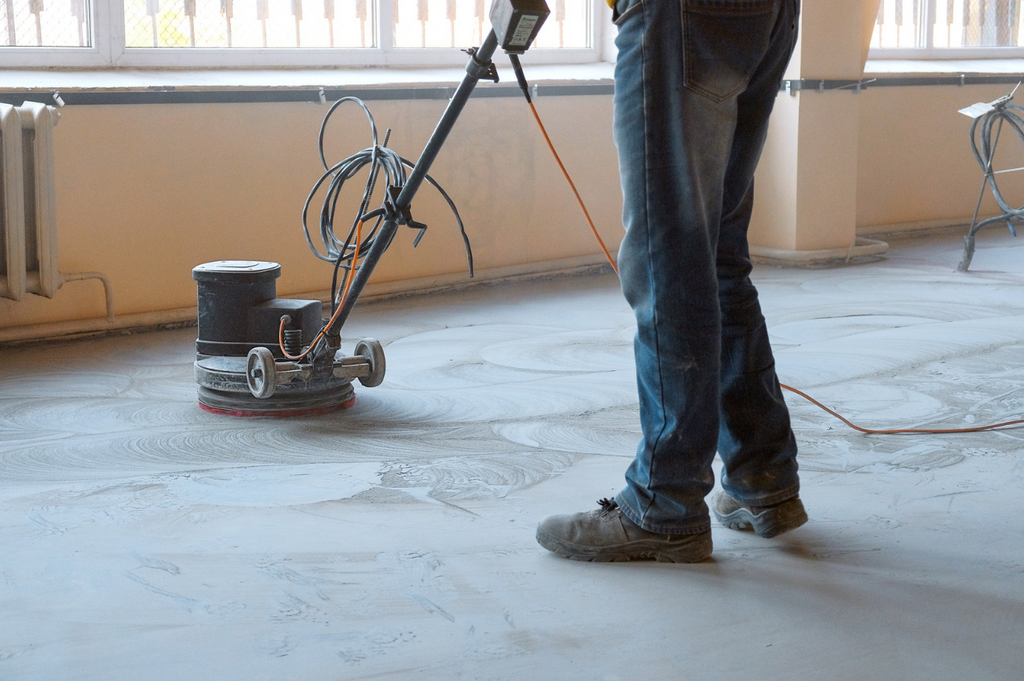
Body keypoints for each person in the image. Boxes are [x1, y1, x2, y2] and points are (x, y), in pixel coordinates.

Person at [536, 0, 807, 562]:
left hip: (681, 16)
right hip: (767, 15)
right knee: (716, 253)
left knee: (668, 256)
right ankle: (763, 477)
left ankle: (665, 501)